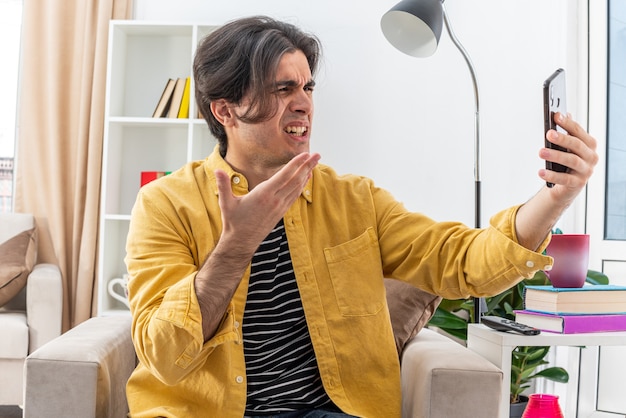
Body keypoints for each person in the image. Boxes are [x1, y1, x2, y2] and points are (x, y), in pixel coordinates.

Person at [124, 16, 598, 418]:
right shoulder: (164, 204)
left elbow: (463, 260)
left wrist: (555, 195)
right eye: (283, 88)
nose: (304, 101)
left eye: (307, 86)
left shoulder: (353, 199)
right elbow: (165, 356)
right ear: (226, 110)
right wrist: (235, 247)